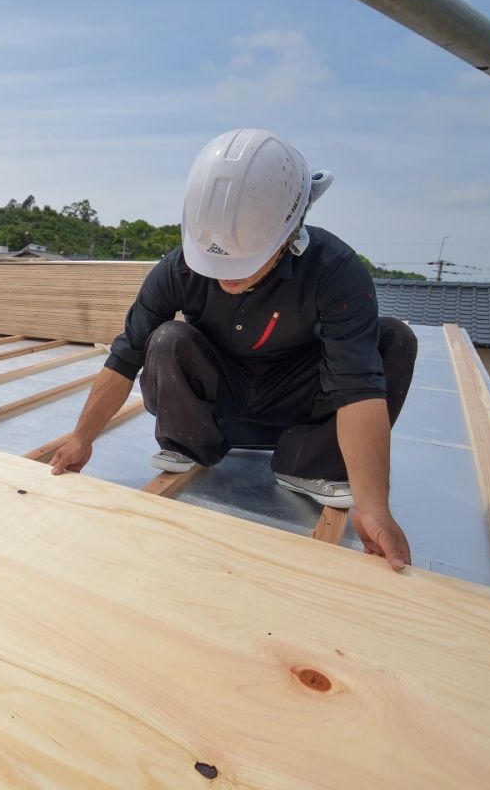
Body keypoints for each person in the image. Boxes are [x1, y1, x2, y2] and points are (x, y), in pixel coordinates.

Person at [49, 128, 418, 571]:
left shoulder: (334, 270)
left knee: (395, 339)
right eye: (215, 262)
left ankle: (307, 465)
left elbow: (357, 387)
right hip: (219, 405)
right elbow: (126, 356)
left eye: (241, 263)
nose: (225, 277)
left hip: (297, 405)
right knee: (165, 338)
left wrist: (374, 507)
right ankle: (191, 445)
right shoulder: (179, 268)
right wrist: (81, 437)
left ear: (289, 234)